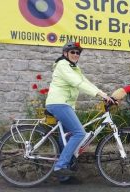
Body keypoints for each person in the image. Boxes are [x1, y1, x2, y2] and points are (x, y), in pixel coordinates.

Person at [45, 41, 114, 176]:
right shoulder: (62, 65)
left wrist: (104, 94)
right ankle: (60, 166)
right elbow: (77, 82)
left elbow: (85, 82)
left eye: (78, 53)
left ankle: (65, 176)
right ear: (65, 53)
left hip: (65, 105)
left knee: (64, 138)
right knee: (79, 133)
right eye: (73, 52)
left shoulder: (74, 67)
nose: (76, 54)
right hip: (59, 103)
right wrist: (99, 94)